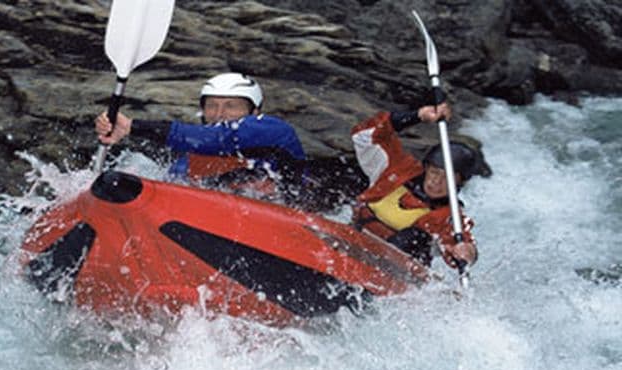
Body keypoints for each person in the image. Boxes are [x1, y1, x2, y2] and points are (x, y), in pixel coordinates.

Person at [348, 103, 490, 268]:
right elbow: (364, 136)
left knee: (414, 237)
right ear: (426, 168)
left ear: (459, 182)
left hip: (396, 272)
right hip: (355, 242)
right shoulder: (396, 169)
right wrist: (417, 115)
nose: (436, 181)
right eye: (435, 172)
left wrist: (467, 251)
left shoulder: (449, 216)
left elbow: (463, 242)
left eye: (447, 178)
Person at [94, 72, 306, 180]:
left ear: (255, 111)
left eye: (231, 106)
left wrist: (133, 126)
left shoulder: (273, 130)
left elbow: (219, 139)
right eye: (211, 106)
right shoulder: (190, 161)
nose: (220, 114)